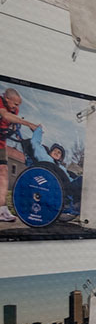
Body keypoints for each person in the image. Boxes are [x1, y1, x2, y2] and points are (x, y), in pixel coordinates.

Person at [0, 87, 40, 222]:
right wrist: (28, 123)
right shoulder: (0, 103)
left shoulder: (14, 110)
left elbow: (13, 124)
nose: (16, 108)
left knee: (4, 172)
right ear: (7, 99)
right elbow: (5, 115)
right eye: (15, 104)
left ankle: (2, 209)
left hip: (1, 144)